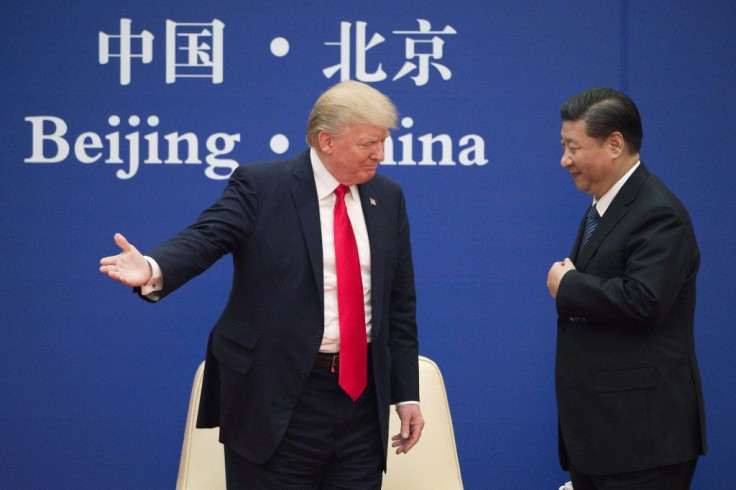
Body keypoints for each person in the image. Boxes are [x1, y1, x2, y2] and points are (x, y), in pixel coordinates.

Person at [100, 80, 424, 489]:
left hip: (359, 404)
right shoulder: (263, 186)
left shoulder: (387, 197)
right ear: (326, 141)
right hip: (276, 399)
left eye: (383, 141)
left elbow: (399, 305)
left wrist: (406, 394)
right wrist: (153, 266)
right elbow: (207, 236)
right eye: (367, 143)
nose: (380, 154)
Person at [546, 87, 706, 489]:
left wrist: (569, 286)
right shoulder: (605, 206)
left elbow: (645, 300)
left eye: (573, 147)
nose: (564, 160)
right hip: (603, 440)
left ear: (614, 144)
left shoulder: (658, 212)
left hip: (642, 444)